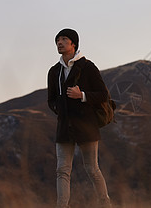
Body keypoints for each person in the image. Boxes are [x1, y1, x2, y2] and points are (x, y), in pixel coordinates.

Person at [47, 28, 112, 208]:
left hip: (86, 125)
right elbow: (50, 99)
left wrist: (81, 95)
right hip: (64, 126)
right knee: (62, 171)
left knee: (92, 169)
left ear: (73, 43)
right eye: (57, 40)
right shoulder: (54, 71)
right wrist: (59, 109)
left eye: (64, 39)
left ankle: (105, 205)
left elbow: (102, 95)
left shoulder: (88, 67)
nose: (59, 42)